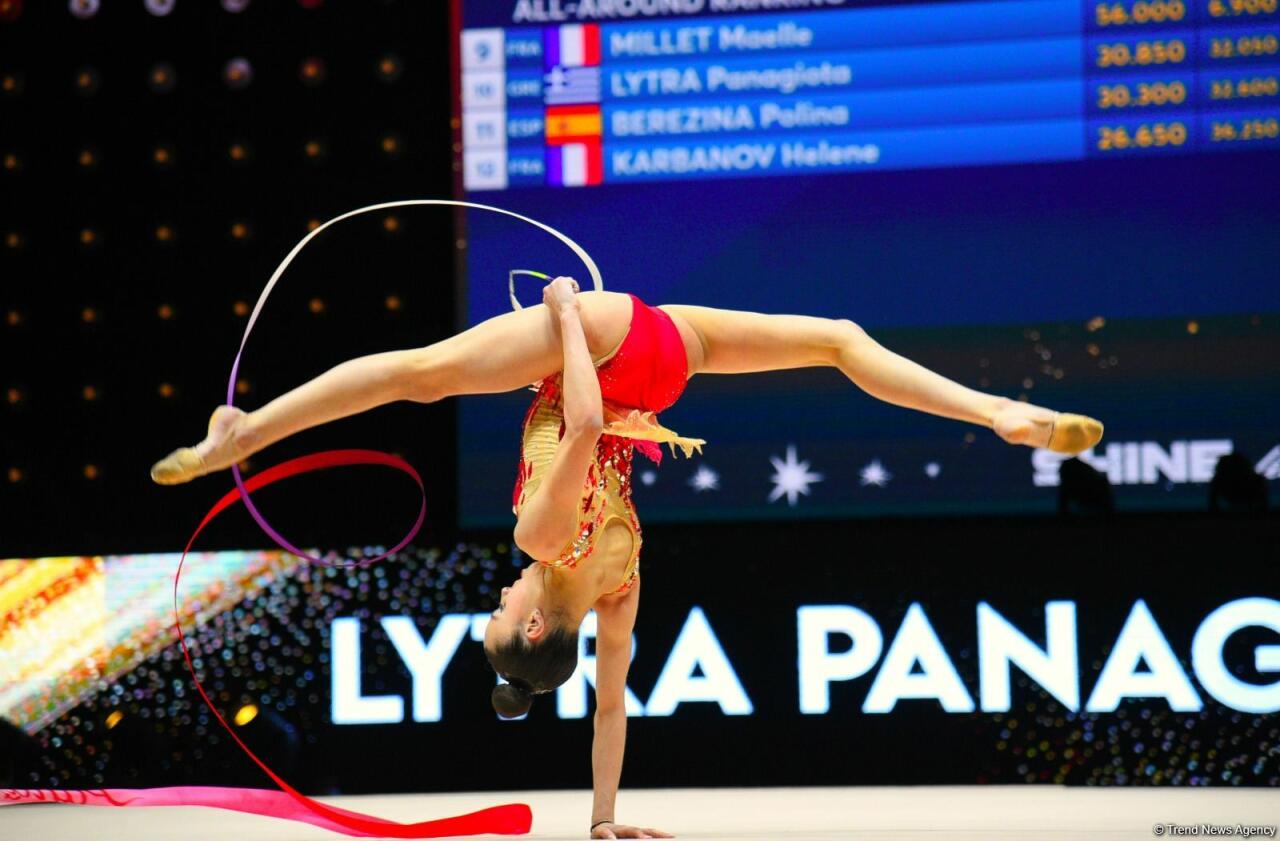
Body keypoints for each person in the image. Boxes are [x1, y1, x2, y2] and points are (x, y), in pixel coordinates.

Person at [151, 277, 1102, 839]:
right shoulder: (540, 540)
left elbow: (611, 704)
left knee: (837, 342)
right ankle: (245, 433)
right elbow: (585, 421)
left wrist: (604, 816)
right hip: (605, 352)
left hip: (662, 369)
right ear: (532, 623)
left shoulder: (621, 585)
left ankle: (998, 413)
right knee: (418, 374)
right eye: (499, 610)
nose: (498, 591)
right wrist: (565, 313)